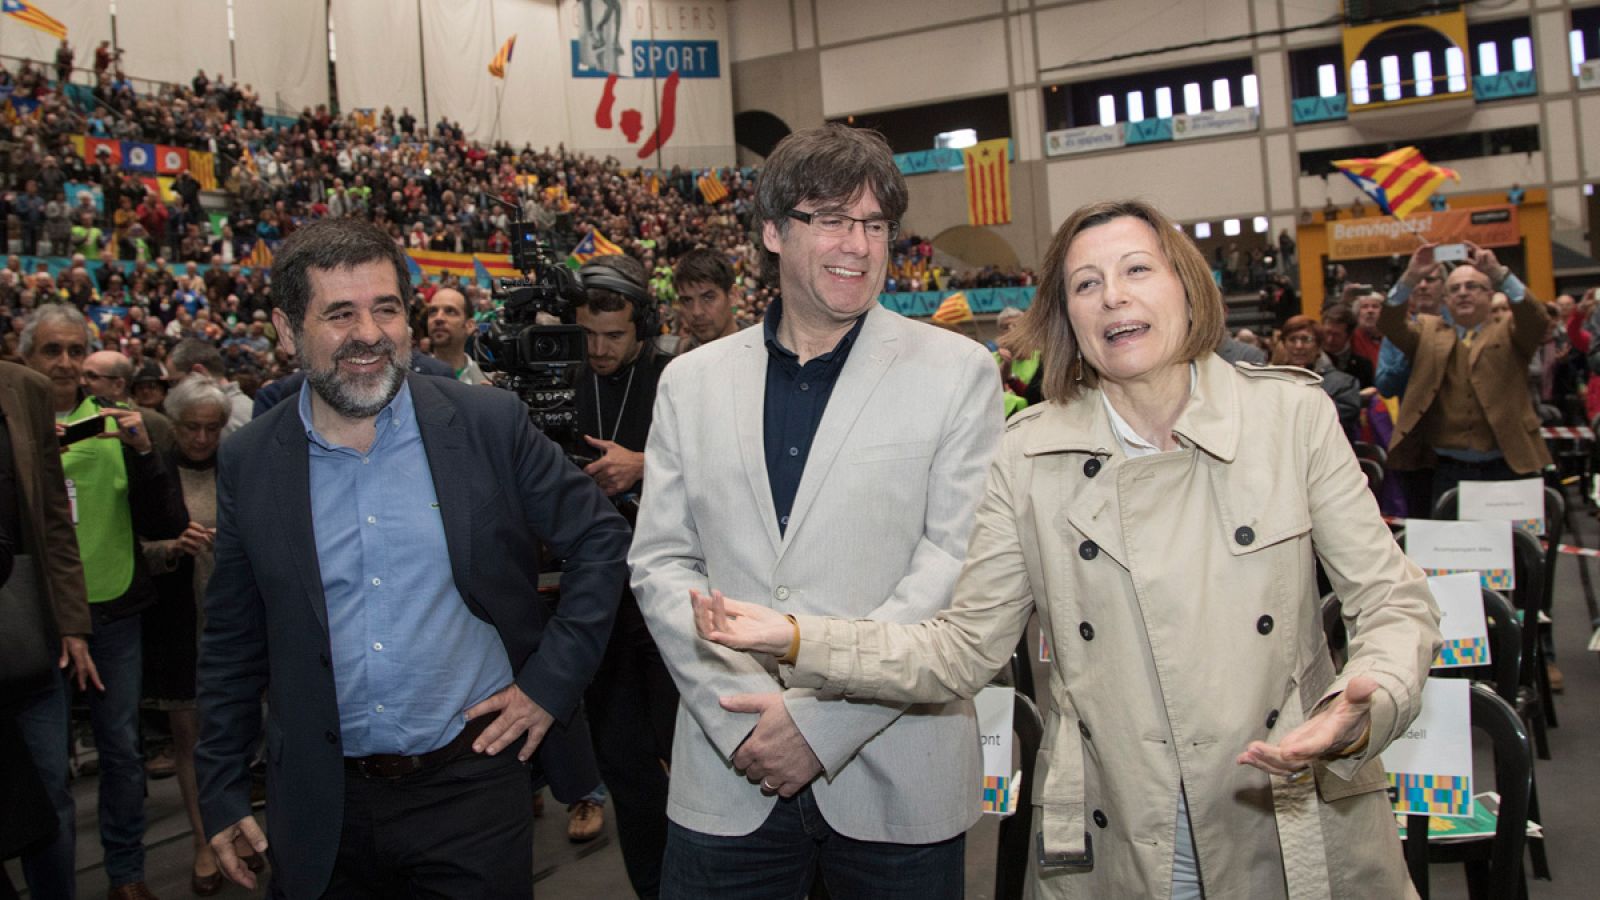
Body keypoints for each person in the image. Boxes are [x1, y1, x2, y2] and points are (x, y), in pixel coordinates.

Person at [693, 199, 1441, 900]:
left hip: (1291, 812)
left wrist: (1367, 695)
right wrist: (799, 639)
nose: (1113, 296)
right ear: (1068, 318)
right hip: (1121, 832)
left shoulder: (1291, 416)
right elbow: (959, 650)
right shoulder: (1027, 457)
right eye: (1087, 283)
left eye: (1136, 270)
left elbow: (1391, 600)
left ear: (1186, 288)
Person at [194, 218, 631, 898]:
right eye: (340, 314)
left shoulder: (487, 423)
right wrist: (220, 787)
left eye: (386, 309)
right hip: (321, 799)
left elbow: (601, 541)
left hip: (472, 790)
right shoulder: (251, 460)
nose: (369, 334)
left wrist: (548, 684)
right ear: (286, 331)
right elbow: (231, 637)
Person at [630, 124, 1002, 897]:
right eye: (831, 219)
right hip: (730, 767)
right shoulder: (691, 383)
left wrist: (819, 725)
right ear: (772, 230)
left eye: (875, 225)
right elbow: (663, 564)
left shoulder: (957, 372)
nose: (858, 246)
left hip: (900, 778)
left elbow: (950, 567)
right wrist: (748, 723)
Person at [22, 305, 189, 900]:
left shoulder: (120, 425)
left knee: (122, 750)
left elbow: (168, 521)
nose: (66, 364)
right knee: (48, 769)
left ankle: (127, 872)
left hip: (115, 610)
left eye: (76, 352)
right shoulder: (14, 426)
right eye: (52, 351)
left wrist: (145, 454)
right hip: (39, 622)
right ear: (26, 357)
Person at [570, 253, 677, 895]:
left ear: (644, 326)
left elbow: (722, 478)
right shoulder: (562, 382)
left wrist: (644, 465)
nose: (600, 349)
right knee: (627, 768)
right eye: (587, 334)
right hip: (594, 601)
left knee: (688, 760)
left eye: (614, 335)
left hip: (665, 599)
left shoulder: (677, 378)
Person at [0, 359, 96, 900]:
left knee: (49, 791)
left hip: (28, 627)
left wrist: (72, 625)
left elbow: (56, 520)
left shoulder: (26, 389)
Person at [139, 375, 230, 894]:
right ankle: (203, 838)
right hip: (177, 623)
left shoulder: (235, 467)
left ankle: (236, 825)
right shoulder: (155, 474)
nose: (201, 438)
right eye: (192, 428)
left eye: (211, 428)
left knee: (238, 731)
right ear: (173, 426)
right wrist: (173, 546)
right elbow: (137, 547)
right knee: (190, 740)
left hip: (233, 620)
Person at [1378, 241, 1552, 505]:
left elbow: (1536, 318)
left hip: (1509, 466)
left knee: (1516, 545)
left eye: (1472, 286)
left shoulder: (1510, 330)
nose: (1463, 293)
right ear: (1445, 300)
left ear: (1490, 294)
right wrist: (1411, 276)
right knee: (1454, 545)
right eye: (1455, 289)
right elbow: (1389, 323)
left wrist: (1498, 273)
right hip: (1447, 470)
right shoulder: (1427, 331)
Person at [1271, 315, 1361, 441]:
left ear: (1319, 346)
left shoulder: (1344, 384)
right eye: (1292, 340)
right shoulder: (1273, 382)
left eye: (1306, 339)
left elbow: (1338, 422)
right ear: (1284, 345)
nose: (1298, 346)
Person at [670, 248, 742, 353]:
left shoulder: (763, 351)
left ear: (733, 295)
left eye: (708, 298)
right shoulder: (675, 358)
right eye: (687, 301)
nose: (697, 312)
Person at [424, 287, 489, 384]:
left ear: (469, 326)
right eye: (433, 312)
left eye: (450, 311)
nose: (438, 318)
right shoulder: (411, 377)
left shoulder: (485, 379)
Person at [1320, 304, 1375, 389]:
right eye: (1327, 332)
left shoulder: (1363, 366)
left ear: (1349, 336)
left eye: (1337, 335)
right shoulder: (1310, 359)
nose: (1329, 339)